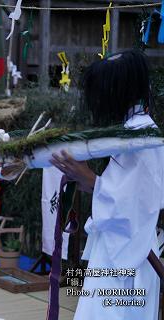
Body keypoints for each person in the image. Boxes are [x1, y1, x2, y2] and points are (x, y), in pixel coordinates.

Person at [50, 50, 164, 320]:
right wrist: (83, 177)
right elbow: (121, 191)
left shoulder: (142, 133)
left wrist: (88, 177)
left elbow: (139, 203)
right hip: (116, 246)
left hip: (130, 252)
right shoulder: (131, 129)